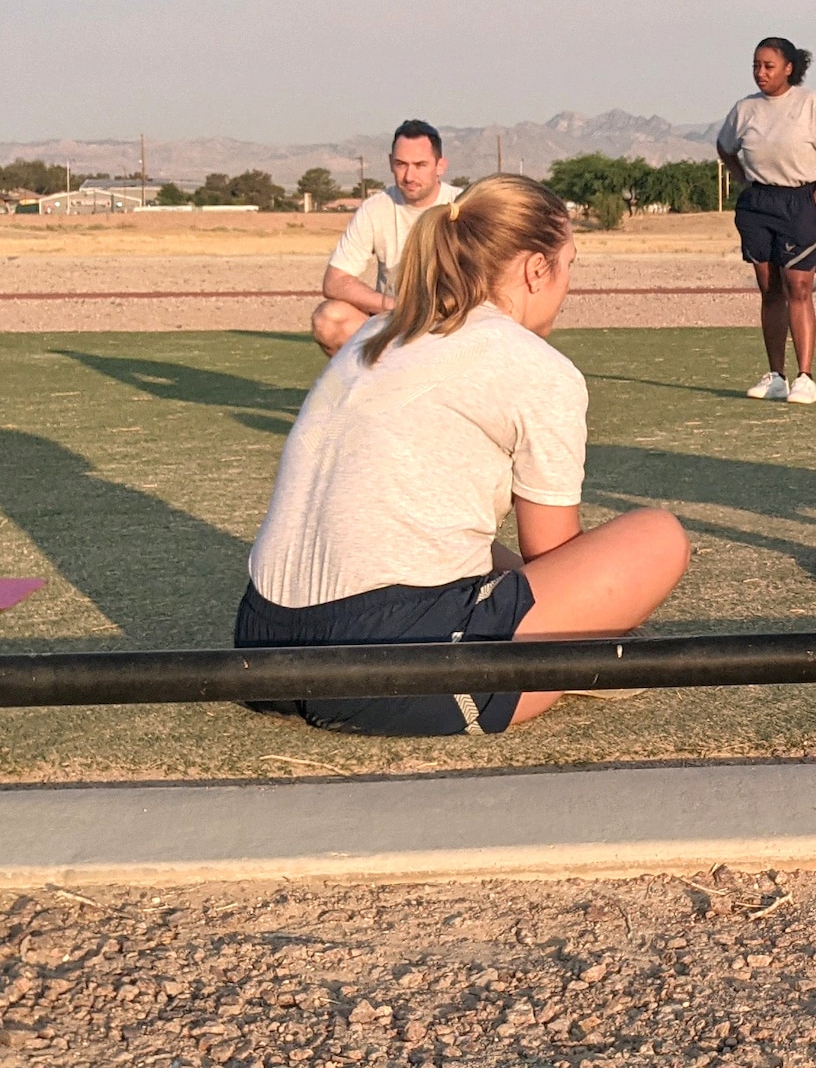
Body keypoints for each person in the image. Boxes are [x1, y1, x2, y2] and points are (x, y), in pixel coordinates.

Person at [238, 174, 689, 735]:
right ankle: (558, 669)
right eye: (570, 262)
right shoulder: (535, 366)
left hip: (258, 647)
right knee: (659, 537)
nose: (570, 283)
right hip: (393, 664)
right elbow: (551, 554)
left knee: (485, 555)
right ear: (535, 268)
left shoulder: (374, 333)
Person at [716, 37, 816, 404]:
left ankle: (805, 377)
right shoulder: (745, 109)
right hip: (759, 203)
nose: (760, 72)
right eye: (756, 65)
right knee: (769, 288)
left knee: (799, 288)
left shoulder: (811, 103)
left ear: (789, 68)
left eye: (768, 66)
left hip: (800, 200)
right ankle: (776, 375)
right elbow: (725, 146)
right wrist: (743, 179)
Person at [311, 119, 461, 357]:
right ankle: (371, 389)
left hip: (454, 326)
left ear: (440, 166)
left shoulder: (464, 207)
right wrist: (398, 308)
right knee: (329, 319)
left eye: (420, 165)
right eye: (401, 164)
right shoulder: (375, 209)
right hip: (395, 322)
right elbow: (335, 281)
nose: (409, 176)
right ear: (391, 163)